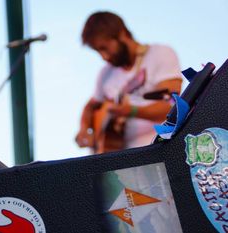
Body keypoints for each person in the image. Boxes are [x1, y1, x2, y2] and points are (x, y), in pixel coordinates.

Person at [75, 11, 182, 153]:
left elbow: (171, 107)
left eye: (104, 48)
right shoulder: (105, 74)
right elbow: (91, 106)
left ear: (122, 34)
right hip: (120, 162)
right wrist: (84, 130)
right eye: (97, 51)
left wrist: (132, 111)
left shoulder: (159, 53)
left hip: (159, 149)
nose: (103, 57)